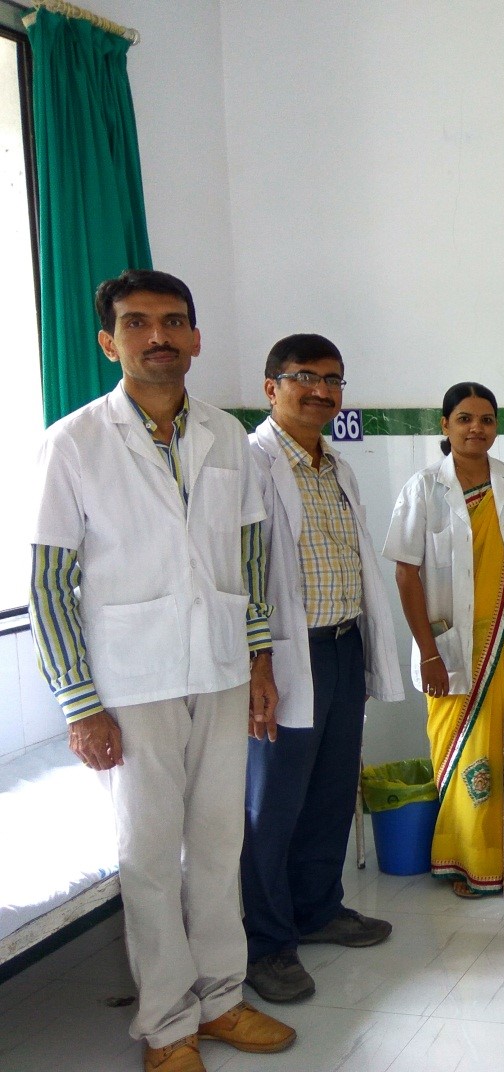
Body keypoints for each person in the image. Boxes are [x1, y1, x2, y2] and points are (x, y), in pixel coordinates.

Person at [29, 270, 295, 1072]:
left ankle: (221, 999)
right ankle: (168, 1025)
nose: (159, 337)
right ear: (109, 342)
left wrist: (259, 662)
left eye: (174, 322)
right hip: (129, 679)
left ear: (196, 338)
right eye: (138, 323)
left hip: (219, 668)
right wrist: (80, 704)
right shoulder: (73, 442)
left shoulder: (225, 434)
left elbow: (247, 558)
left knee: (218, 844)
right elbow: (49, 583)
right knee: (149, 857)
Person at [240, 334, 405, 1003]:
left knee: (332, 790)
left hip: (341, 645)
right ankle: (267, 943)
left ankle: (318, 909)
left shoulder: (336, 467)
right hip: (283, 652)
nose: (321, 391)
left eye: (333, 380)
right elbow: (242, 572)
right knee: (273, 802)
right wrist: (257, 661)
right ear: (270, 387)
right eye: (304, 377)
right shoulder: (249, 464)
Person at [383, 382, 504, 897]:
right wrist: (429, 653)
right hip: (445, 641)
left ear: (496, 427)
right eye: (464, 419)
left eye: (486, 419)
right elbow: (406, 574)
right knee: (455, 745)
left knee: (497, 741)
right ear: (445, 425)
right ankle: (464, 859)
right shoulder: (423, 488)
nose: (475, 428)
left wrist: (499, 578)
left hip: (501, 631)